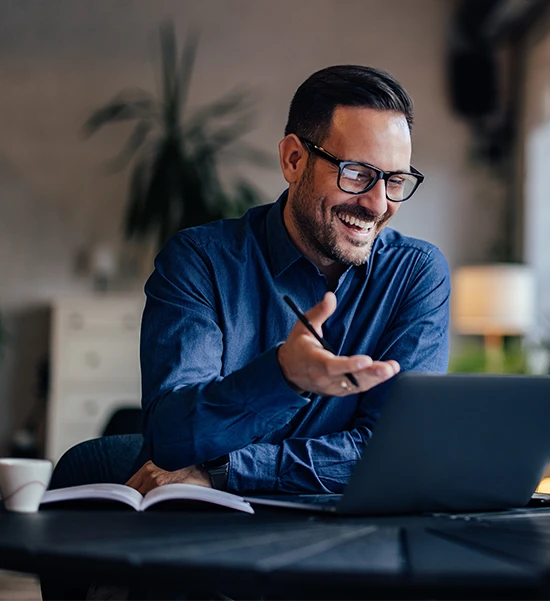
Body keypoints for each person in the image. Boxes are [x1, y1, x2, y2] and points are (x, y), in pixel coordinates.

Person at [125, 64, 450, 496]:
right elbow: (172, 439)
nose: (378, 204)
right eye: (356, 173)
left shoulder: (415, 274)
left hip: (345, 543)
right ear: (293, 159)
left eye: (395, 180)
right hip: (203, 534)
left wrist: (225, 470)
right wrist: (283, 377)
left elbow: (400, 453)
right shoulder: (200, 260)